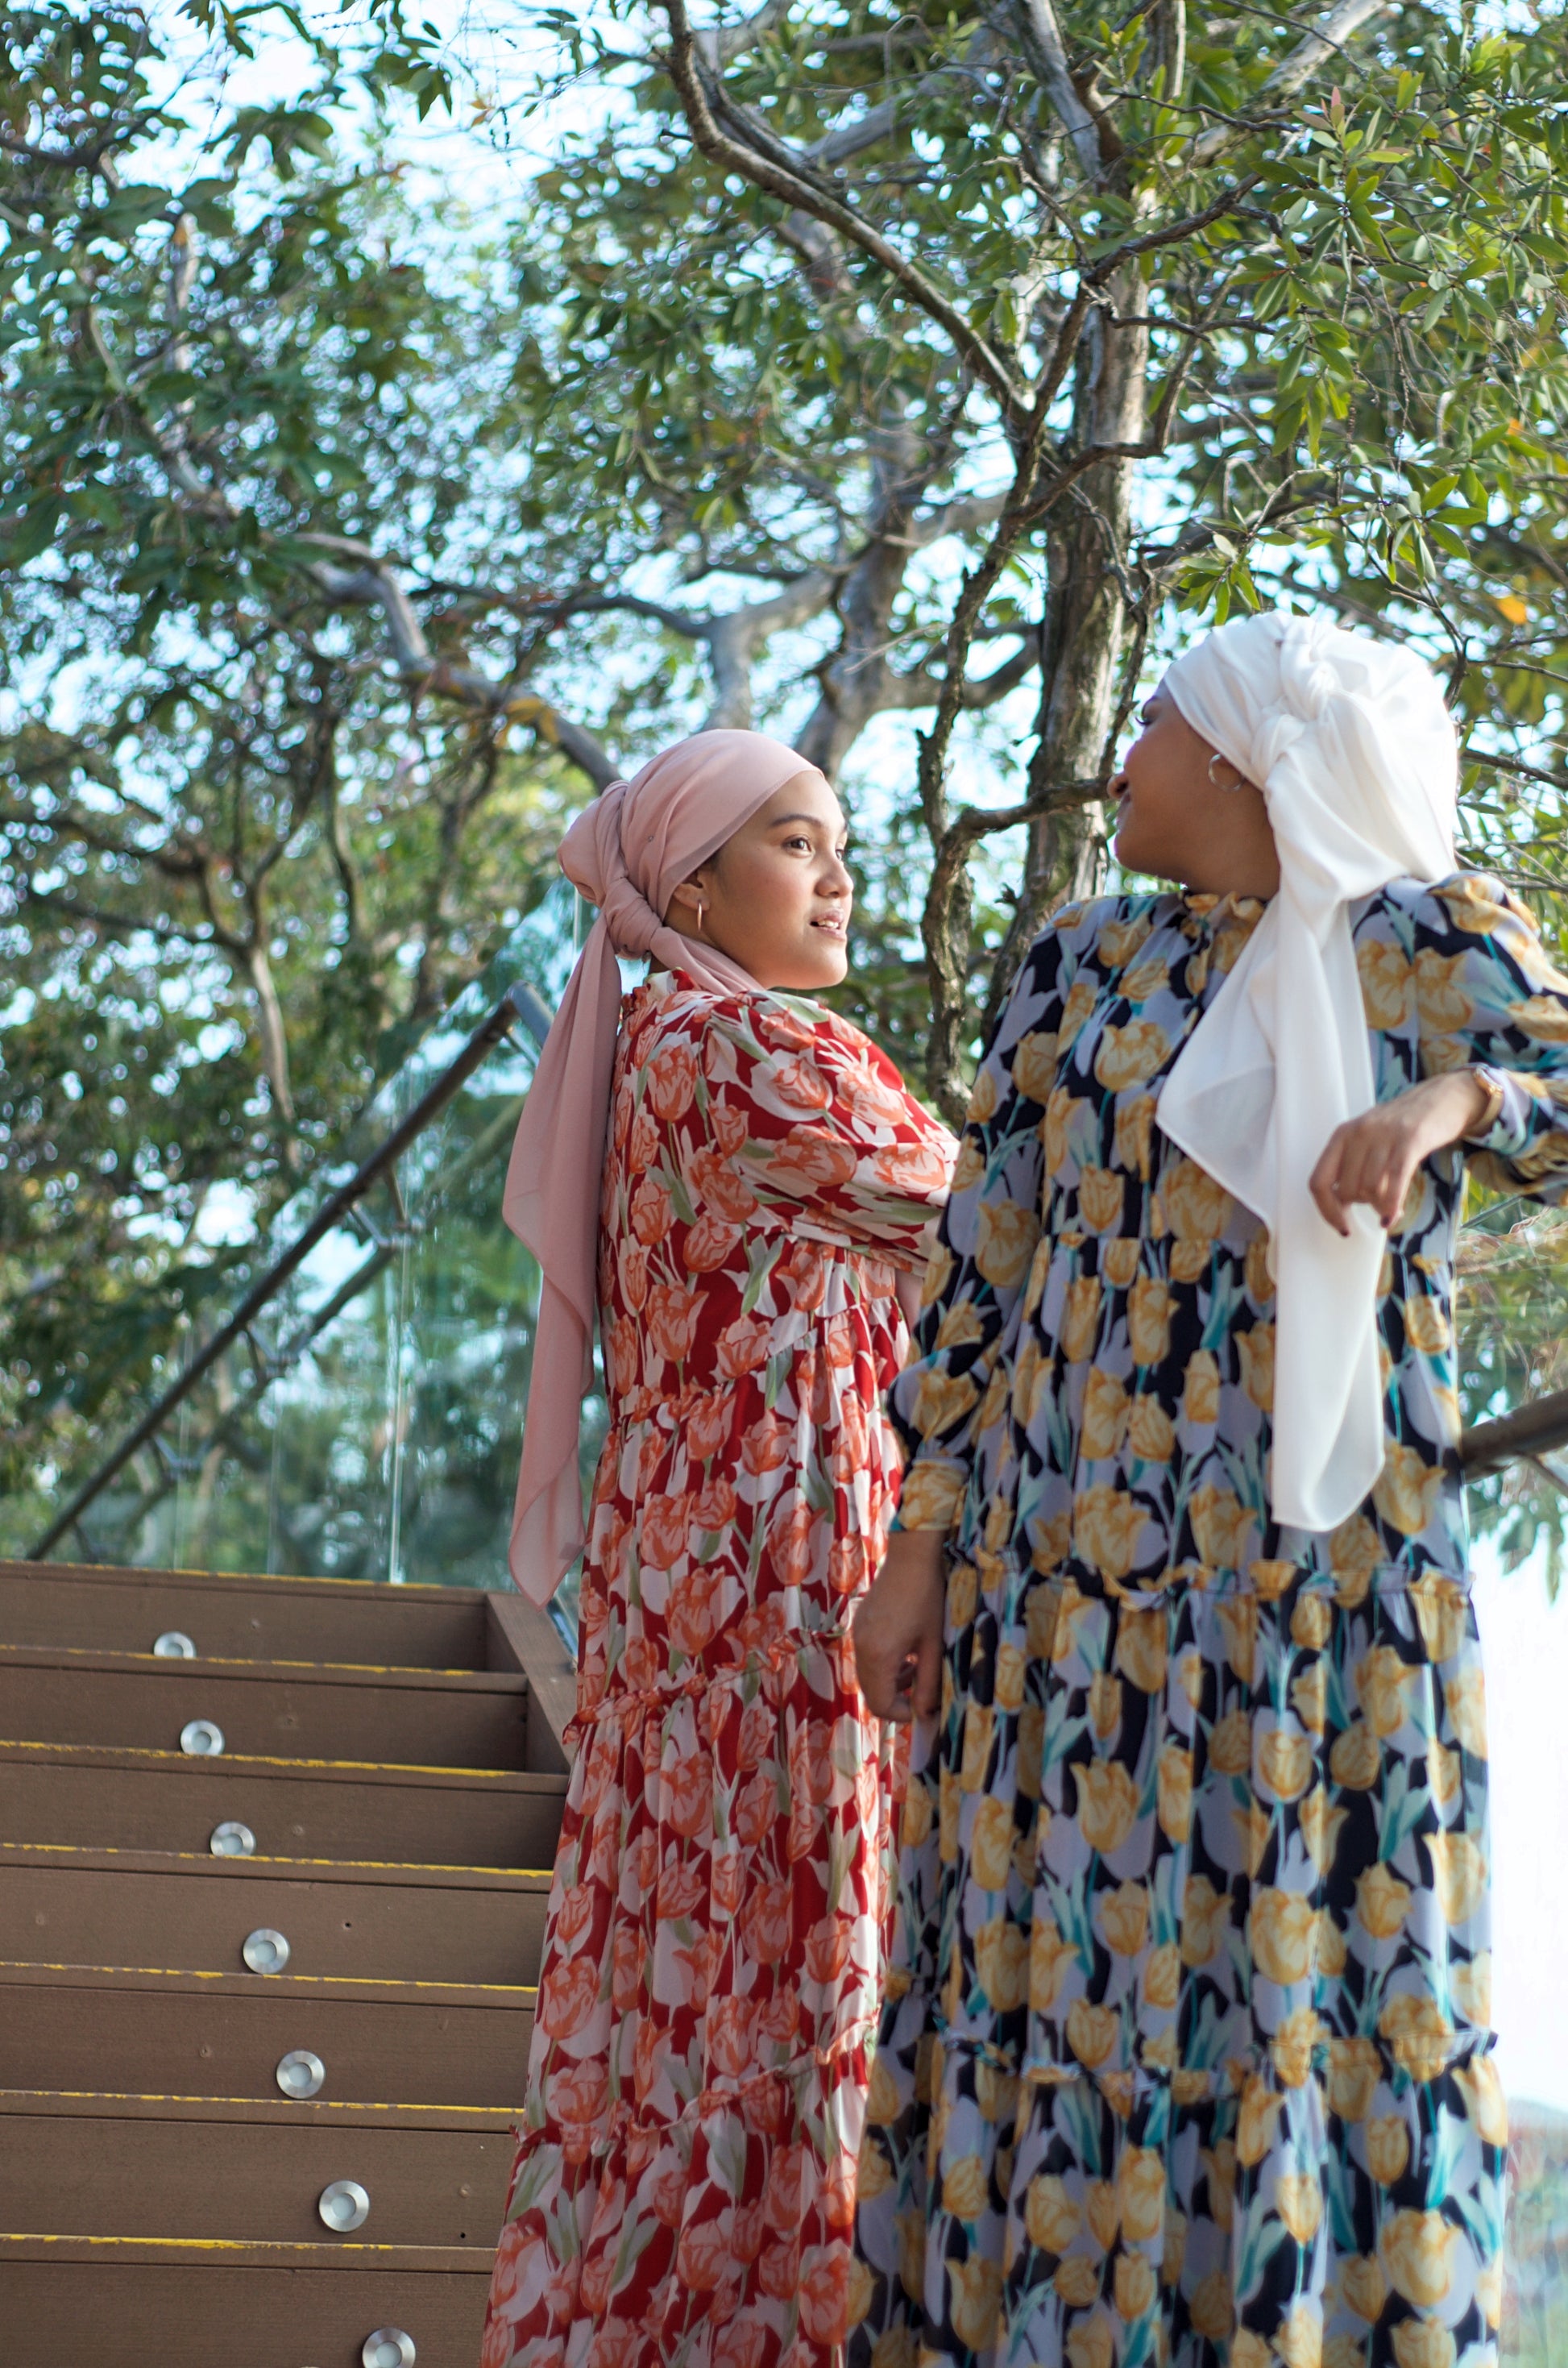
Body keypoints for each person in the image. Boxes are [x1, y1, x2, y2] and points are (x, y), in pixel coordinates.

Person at [849, 611, 1568, 2368]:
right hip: (1058, 1577)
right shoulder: (1074, 963)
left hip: (1318, 1585)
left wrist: (1455, 1101)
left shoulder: (1426, 938)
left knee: (1304, 1950)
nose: (1122, 750)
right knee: (1052, 1965)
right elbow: (982, 1264)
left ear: (1249, 758)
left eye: (1154, 718)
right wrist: (915, 1547)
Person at [482, 728, 957, 2368]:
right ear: (690, 880)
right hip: (776, 1583)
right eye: (794, 842)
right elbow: (1004, 1222)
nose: (837, 876)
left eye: (841, 845)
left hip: (700, 1591)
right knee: (787, 1971)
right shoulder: (740, 1048)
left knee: (697, 1993)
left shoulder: (662, 1034)